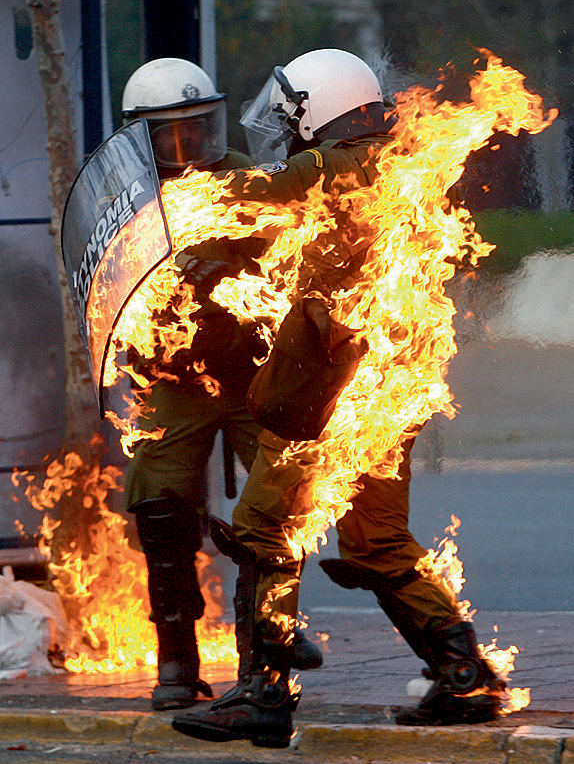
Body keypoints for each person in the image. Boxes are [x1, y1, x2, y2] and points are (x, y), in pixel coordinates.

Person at [169, 49, 506, 747]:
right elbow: (303, 245)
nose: (290, 130)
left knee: (264, 531)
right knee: (377, 541)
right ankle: (464, 673)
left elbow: (240, 202)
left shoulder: (330, 167)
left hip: (325, 386)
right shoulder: (398, 167)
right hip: (389, 386)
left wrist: (163, 204)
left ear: (319, 111)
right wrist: (229, 258)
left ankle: (263, 692)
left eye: (293, 116)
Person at [120, 57, 322, 712]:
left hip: (249, 371)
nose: (185, 145)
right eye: (167, 133)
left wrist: (230, 289)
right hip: (174, 378)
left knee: (271, 509)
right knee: (160, 504)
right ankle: (175, 660)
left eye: (195, 126)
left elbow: (288, 268)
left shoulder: (245, 180)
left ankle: (261, 656)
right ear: (140, 136)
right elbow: (107, 290)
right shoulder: (126, 195)